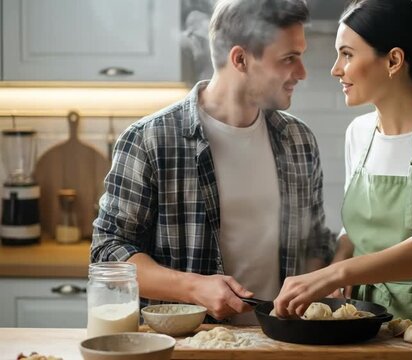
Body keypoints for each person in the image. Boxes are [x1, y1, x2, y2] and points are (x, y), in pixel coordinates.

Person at [92, 0, 335, 325]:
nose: (301, 73)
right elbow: (108, 252)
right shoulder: (150, 139)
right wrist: (194, 288)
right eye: (289, 59)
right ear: (240, 59)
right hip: (190, 345)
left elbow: (314, 244)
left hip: (281, 344)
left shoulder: (299, 141)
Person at [273, 0, 412, 329]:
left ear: (393, 60)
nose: (335, 68)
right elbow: (355, 231)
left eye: (347, 54)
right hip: (364, 317)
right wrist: (334, 273)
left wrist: (336, 273)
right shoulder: (358, 132)